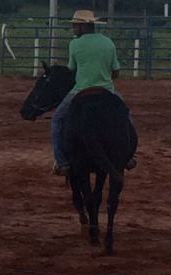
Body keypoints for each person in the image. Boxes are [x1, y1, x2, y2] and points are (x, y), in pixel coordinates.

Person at [51, 9, 135, 176]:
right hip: (107, 90)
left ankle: (61, 162)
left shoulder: (74, 44)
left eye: (75, 25)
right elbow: (115, 71)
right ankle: (129, 156)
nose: (74, 28)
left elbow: (72, 70)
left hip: (80, 90)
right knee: (126, 117)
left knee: (57, 120)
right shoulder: (108, 42)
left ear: (83, 26)